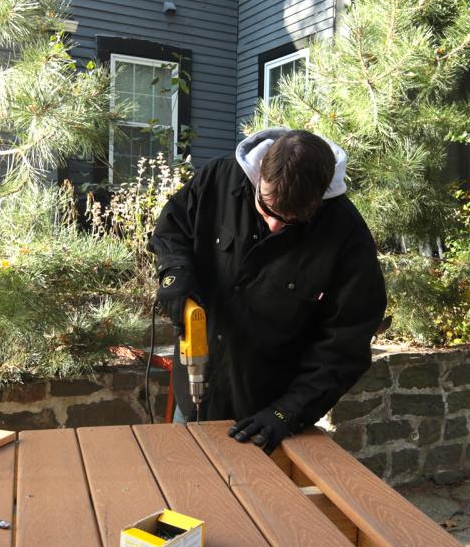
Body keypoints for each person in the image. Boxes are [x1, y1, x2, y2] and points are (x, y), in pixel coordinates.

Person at [150, 127, 387, 452]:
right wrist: (174, 275)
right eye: (268, 209)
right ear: (258, 174)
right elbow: (173, 226)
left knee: (254, 503)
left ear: (319, 199)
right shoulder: (219, 179)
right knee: (184, 492)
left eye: (290, 221)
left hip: (266, 414)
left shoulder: (347, 236)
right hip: (192, 391)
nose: (275, 225)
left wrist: (288, 412)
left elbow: (344, 345)